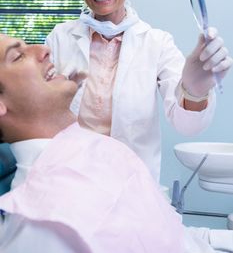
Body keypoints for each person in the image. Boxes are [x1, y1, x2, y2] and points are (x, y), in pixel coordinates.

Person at [0, 33, 232, 253]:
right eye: (18, 56)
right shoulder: (42, 222)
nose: (44, 50)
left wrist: (194, 92)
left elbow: (158, 232)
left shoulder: (95, 149)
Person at [46, 0, 233, 183]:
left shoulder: (157, 43)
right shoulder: (59, 38)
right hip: (68, 181)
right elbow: (39, 113)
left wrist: (195, 89)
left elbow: (187, 126)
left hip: (130, 188)